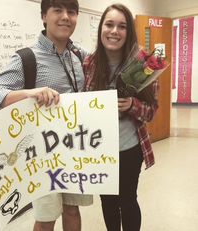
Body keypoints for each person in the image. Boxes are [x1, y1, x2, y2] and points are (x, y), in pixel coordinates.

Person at [0, 0, 93, 230]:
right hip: (41, 156)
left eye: (71, 12)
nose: (65, 17)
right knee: (46, 216)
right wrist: (29, 93)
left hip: (76, 148)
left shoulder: (81, 56)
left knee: (73, 209)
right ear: (44, 16)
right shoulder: (27, 58)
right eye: (58, 10)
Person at [83, 4, 159, 231]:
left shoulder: (144, 65)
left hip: (129, 148)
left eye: (122, 26)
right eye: (109, 24)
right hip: (100, 150)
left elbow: (152, 111)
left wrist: (132, 105)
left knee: (127, 200)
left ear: (129, 32)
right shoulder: (89, 64)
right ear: (101, 29)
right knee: (107, 200)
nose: (114, 31)